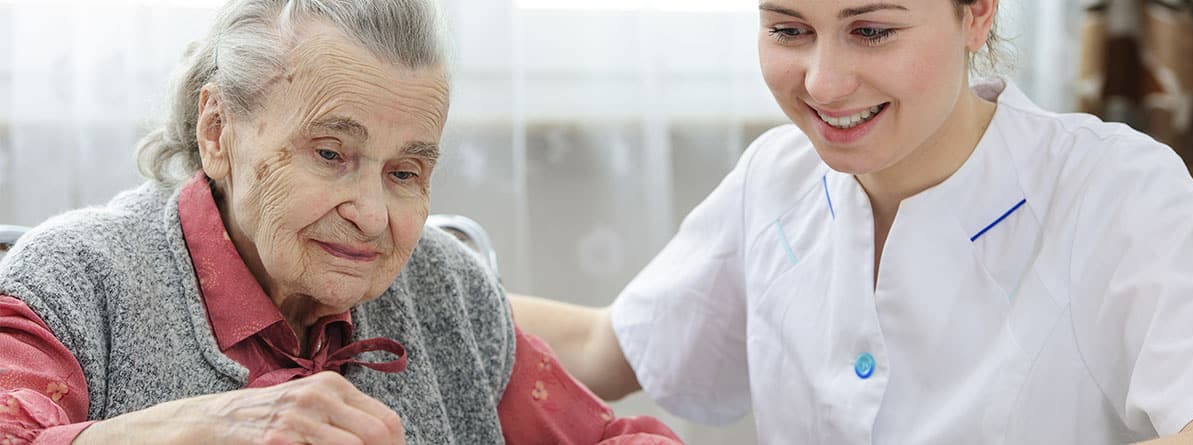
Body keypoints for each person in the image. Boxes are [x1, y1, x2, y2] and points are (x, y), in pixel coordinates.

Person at [510, 0, 1193, 443]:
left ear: (978, 13)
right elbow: (608, 344)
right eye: (789, 30)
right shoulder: (775, 179)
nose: (822, 82)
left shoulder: (1116, 189)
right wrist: (419, 277)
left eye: (871, 31)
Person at [0, 1, 683, 444]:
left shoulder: (445, 287)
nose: (372, 214)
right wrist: (197, 429)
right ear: (217, 133)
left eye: (405, 172)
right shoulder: (76, 278)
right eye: (330, 154)